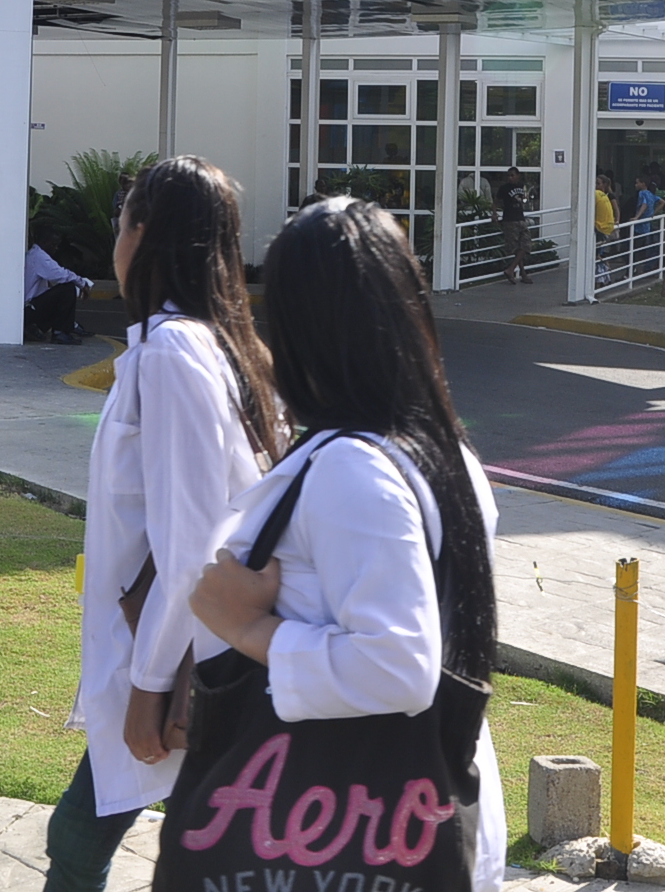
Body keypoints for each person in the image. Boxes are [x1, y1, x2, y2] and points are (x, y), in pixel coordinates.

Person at [186, 197, 506, 892]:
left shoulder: (351, 469)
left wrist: (249, 629)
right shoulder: (440, 452)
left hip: (331, 826)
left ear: (298, 327)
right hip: (415, 813)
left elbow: (398, 665)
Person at [52, 155, 285, 892]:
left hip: (185, 655)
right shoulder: (215, 345)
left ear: (144, 234)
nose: (116, 240)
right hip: (198, 646)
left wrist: (149, 691)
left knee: (83, 840)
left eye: (120, 223)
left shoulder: (174, 354)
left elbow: (192, 547)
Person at [24, 233, 92, 345]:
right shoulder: (39, 257)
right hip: (28, 309)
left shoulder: (34, 255)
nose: (56, 248)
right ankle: (60, 333)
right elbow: (61, 274)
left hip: (30, 308)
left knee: (56, 293)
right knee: (67, 288)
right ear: (44, 242)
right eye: (54, 245)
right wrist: (82, 283)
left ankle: (68, 326)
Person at [491, 165, 531, 284]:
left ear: (517, 176)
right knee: (516, 248)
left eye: (512, 175)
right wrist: (494, 214)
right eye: (508, 176)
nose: (510, 178)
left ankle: (512, 269)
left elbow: (524, 198)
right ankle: (521, 273)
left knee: (526, 245)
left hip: (520, 218)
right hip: (510, 219)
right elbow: (496, 201)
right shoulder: (504, 188)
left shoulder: (521, 186)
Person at [594, 175, 618, 287]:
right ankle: (605, 276)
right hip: (606, 228)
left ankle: (602, 278)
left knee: (597, 256)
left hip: (601, 229)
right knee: (600, 255)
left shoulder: (597, 195)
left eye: (597, 183)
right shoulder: (604, 196)